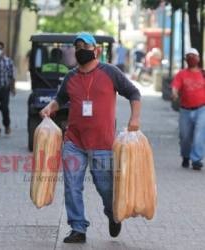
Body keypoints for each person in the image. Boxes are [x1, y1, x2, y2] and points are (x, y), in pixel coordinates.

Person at [40, 32, 141, 243]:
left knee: (106, 188)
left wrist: (135, 119)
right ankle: (78, 228)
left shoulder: (110, 72)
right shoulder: (71, 76)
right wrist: (50, 107)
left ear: (97, 50)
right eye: (77, 47)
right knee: (72, 186)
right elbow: (60, 99)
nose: (80, 50)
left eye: (85, 46)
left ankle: (113, 214)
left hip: (103, 144)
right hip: (74, 142)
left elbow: (134, 93)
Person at [171, 48, 205, 170]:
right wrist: (174, 93)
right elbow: (175, 87)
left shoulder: (203, 73)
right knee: (185, 136)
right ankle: (185, 156)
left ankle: (196, 160)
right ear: (186, 59)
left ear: (198, 59)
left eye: (194, 56)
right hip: (185, 109)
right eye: (189, 56)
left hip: (202, 109)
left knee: (199, 134)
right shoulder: (181, 74)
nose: (191, 58)